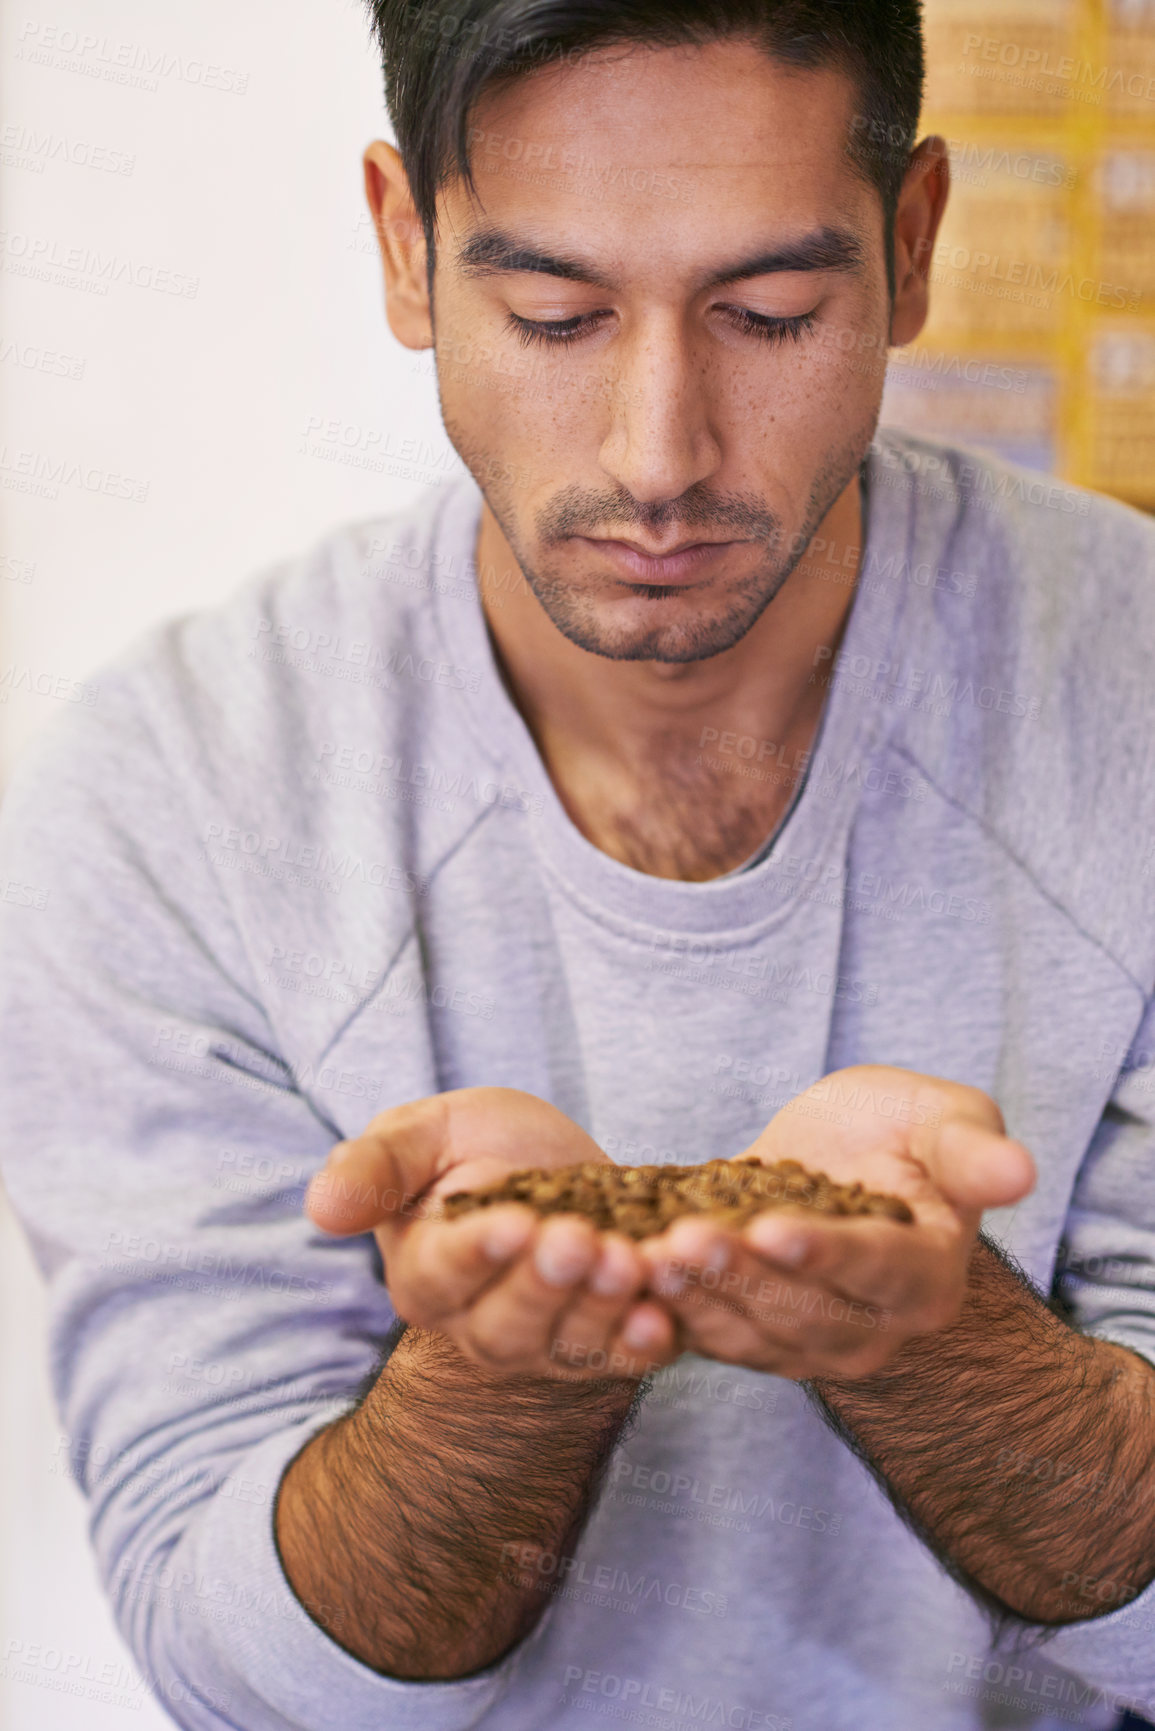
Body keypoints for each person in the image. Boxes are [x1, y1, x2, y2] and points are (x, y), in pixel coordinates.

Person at [3, 1, 1155, 1727]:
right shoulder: (173, 794)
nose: (657, 453)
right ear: (408, 247)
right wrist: (490, 1383)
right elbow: (230, 1659)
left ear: (913, 248)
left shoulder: (1130, 699)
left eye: (771, 312)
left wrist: (931, 1348)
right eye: (553, 314)